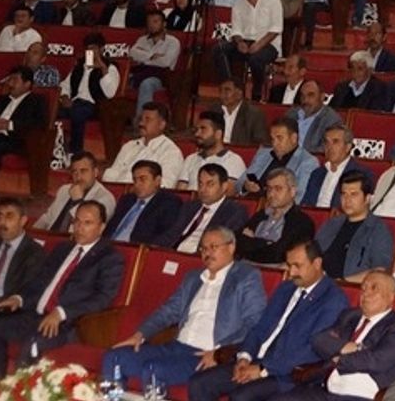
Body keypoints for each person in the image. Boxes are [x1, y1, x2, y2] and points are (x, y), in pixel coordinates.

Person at [102, 226, 266, 388]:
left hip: (206, 353)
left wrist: (220, 353)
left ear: (231, 247)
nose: (207, 253)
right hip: (177, 347)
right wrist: (141, 334)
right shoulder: (193, 277)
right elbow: (168, 311)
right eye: (203, 248)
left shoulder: (246, 277)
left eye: (213, 247)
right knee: (114, 358)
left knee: (154, 370)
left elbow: (254, 322)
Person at [185, 240, 349, 401]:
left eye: (297, 266)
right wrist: (245, 357)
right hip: (256, 360)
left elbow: (312, 350)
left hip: (287, 374)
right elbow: (260, 328)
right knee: (199, 383)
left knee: (241, 396)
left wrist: (263, 369)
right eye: (289, 265)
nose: (291, 272)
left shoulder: (333, 299)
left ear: (317, 263)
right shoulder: (286, 288)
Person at [0, 202, 125, 382]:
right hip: (34, 315)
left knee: (33, 344)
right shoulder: (63, 249)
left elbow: (103, 298)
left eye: (87, 223)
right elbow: (38, 281)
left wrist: (62, 312)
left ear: (101, 227)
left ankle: (19, 390)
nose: (79, 228)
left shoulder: (110, 258)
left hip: (68, 324)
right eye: (77, 221)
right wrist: (19, 299)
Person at [273, 270, 395, 401]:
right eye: (364, 288)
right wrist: (346, 347)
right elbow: (320, 340)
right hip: (325, 388)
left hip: (358, 395)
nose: (366, 293)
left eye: (374, 288)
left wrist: (339, 359)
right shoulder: (350, 315)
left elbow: (376, 361)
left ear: (391, 296)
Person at [0, 67, 47, 204]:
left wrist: (9, 125)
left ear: (27, 84)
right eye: (9, 80)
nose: (10, 83)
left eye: (15, 80)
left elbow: (39, 124)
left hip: (17, 140)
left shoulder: (37, 101)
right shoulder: (1, 99)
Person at [213, 0, 284, 100]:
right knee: (219, 49)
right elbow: (236, 30)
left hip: (268, 44)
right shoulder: (238, 4)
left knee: (255, 58)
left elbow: (276, 29)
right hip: (245, 41)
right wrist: (240, 42)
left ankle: (257, 90)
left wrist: (259, 45)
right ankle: (231, 87)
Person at [317, 171, 395, 281]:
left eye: (354, 194)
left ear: (367, 198)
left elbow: (380, 271)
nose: (347, 200)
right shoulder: (332, 224)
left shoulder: (378, 230)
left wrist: (344, 282)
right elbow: (311, 255)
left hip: (347, 286)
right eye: (344, 194)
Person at [237, 168, 315, 264]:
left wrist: (250, 242)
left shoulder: (301, 222)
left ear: (292, 191)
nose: (271, 194)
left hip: (272, 269)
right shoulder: (260, 215)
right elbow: (237, 242)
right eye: (269, 189)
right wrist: (264, 243)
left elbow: (279, 255)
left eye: (278, 189)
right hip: (244, 265)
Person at [102, 102, 183, 185]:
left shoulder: (171, 152)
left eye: (148, 119)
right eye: (141, 119)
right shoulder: (129, 146)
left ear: (162, 125)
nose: (141, 123)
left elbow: (165, 185)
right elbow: (110, 175)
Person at [104, 160, 182, 245]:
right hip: (107, 246)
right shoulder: (126, 200)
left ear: (157, 180)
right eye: (135, 180)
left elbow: (162, 238)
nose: (137, 184)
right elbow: (109, 229)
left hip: (135, 249)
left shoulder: (168, 203)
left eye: (142, 179)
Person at [33, 152, 117, 232]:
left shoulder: (105, 198)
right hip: (50, 237)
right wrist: (32, 234)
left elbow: (88, 230)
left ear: (95, 172)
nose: (78, 176)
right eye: (74, 172)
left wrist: (77, 201)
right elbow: (47, 219)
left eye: (83, 171)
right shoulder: (64, 190)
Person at [240, 116, 320, 196]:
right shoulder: (263, 154)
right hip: (252, 199)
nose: (274, 143)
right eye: (272, 139)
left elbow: (300, 195)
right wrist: (245, 186)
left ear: (294, 138)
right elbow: (240, 182)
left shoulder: (307, 162)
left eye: (279, 138)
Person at [129, 10, 182, 119]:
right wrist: (151, 56)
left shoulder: (173, 42)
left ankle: (142, 120)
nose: (151, 25)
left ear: (164, 24)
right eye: (149, 22)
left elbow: (166, 62)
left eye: (155, 21)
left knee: (147, 83)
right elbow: (132, 53)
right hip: (141, 72)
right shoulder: (142, 40)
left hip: (162, 77)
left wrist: (143, 58)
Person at [177, 111, 247, 190]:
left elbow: (228, 192)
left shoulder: (233, 160)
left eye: (203, 129)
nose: (197, 134)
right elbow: (181, 191)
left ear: (218, 134)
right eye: (197, 129)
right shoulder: (190, 159)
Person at [286, 80, 344, 155]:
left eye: (311, 95)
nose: (305, 100)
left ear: (322, 97)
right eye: (302, 96)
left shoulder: (331, 120)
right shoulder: (292, 113)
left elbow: (327, 148)